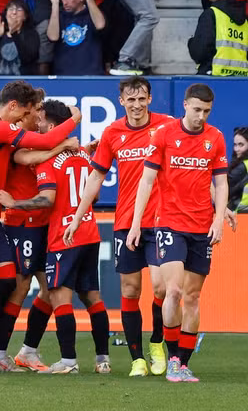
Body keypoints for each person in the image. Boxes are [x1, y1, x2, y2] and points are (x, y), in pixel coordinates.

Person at [0, 80, 82, 372]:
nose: (27, 120)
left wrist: (63, 144)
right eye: (26, 112)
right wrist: (74, 120)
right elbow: (43, 144)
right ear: (13, 107)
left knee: (8, 280)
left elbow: (36, 152)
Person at [127, 83, 231, 383]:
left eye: (207, 111)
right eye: (197, 109)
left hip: (202, 226)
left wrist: (218, 219)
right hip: (170, 223)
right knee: (172, 290)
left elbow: (221, 183)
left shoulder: (216, 138)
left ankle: (183, 362)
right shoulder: (164, 135)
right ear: (185, 105)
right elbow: (146, 182)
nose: (201, 116)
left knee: (193, 295)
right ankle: (172, 358)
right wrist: (137, 224)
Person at [69, 76, 171, 377]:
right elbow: (96, 177)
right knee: (130, 288)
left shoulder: (166, 127)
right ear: (121, 101)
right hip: (126, 221)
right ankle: (137, 358)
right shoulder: (112, 132)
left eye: (142, 99)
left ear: (150, 99)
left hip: (160, 219)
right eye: (131, 99)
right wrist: (77, 216)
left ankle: (157, 342)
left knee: (162, 287)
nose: (137, 105)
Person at [0, 109, 80, 372]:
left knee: (50, 290)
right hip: (21, 224)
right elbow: (28, 157)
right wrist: (63, 144)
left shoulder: (46, 142)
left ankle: (27, 351)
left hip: (44, 225)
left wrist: (78, 148)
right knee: (20, 287)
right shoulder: (20, 141)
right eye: (35, 114)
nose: (38, 120)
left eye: (41, 116)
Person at [30, 100, 107, 374]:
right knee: (92, 298)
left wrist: (15, 203)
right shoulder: (85, 156)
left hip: (64, 235)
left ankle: (68, 361)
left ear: (52, 126)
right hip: (89, 230)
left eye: (39, 121)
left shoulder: (47, 159)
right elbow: (94, 195)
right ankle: (102, 360)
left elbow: (47, 198)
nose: (36, 125)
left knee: (59, 297)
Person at [188, 0, 248, 76]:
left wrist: (191, 43)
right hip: (240, 78)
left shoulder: (211, 14)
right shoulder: (245, 20)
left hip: (212, 76)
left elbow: (200, 52)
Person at [47, 0, 106, 76]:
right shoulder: (59, 15)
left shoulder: (91, 13)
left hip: (91, 77)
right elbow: (53, 37)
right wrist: (55, 5)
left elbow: (100, 25)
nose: (65, 2)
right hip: (63, 77)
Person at [0, 0, 40, 75]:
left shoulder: (32, 34)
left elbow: (28, 59)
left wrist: (14, 34)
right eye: (10, 9)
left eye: (19, 9)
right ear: (6, 15)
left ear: (25, 16)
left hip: (23, 83)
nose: (14, 12)